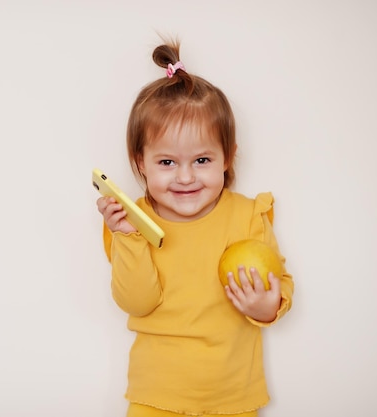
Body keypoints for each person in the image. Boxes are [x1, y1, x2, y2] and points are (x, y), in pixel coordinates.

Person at [96, 39, 294, 417]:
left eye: (202, 159)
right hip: (156, 396)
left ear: (227, 157)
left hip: (233, 399)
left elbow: (280, 282)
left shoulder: (249, 216)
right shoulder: (131, 222)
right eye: (167, 162)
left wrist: (267, 305)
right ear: (141, 163)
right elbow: (136, 301)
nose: (185, 177)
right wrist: (127, 237)